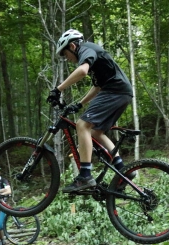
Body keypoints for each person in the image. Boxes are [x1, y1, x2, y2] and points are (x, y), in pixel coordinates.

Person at [47, 29, 135, 192]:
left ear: (72, 46)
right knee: (95, 132)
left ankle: (85, 175)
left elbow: (82, 71)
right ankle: (123, 170)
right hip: (121, 92)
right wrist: (80, 104)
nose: (67, 59)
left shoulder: (85, 49)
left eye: (66, 54)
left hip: (115, 91)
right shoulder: (94, 54)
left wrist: (58, 89)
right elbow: (97, 87)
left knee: (82, 125)